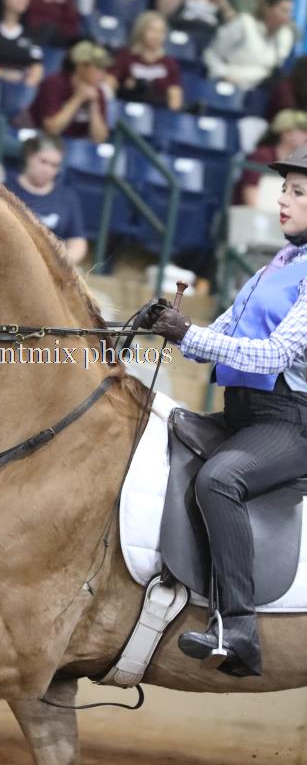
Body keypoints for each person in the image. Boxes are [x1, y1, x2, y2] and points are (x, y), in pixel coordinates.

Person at [140, 142, 307, 678]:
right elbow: (217, 337)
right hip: (241, 415)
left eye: (298, 192)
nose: (282, 199)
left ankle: (239, 629)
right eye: (284, 189)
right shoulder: (274, 267)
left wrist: (189, 334)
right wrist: (167, 325)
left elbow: (276, 354)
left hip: (289, 422)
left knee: (220, 480)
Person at [6, 134, 87, 264]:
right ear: (29, 156)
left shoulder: (67, 197)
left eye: (54, 165)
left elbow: (77, 240)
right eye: (43, 161)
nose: (47, 169)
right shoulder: (4, 189)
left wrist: (63, 261)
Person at [204, 0, 295, 91]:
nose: (287, 17)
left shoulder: (285, 35)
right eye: (284, 11)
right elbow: (212, 55)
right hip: (231, 84)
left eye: (289, 12)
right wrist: (224, 75)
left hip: (261, 88)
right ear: (267, 8)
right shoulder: (244, 23)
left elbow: (275, 67)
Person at [29, 40, 111, 142]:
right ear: (80, 66)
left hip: (73, 145)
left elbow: (100, 139)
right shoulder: (54, 84)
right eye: (98, 68)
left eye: (104, 68)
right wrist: (78, 98)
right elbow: (52, 129)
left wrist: (94, 105)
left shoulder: (98, 92)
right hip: (37, 136)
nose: (103, 73)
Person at [110, 11, 183, 109]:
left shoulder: (169, 63)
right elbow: (110, 83)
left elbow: (175, 97)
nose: (157, 36)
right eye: (153, 31)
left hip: (157, 111)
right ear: (141, 31)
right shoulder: (125, 56)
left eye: (161, 32)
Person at [234, 110, 307, 205]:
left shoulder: (301, 161)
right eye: (303, 131)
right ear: (286, 133)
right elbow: (251, 196)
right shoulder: (261, 156)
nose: (306, 136)